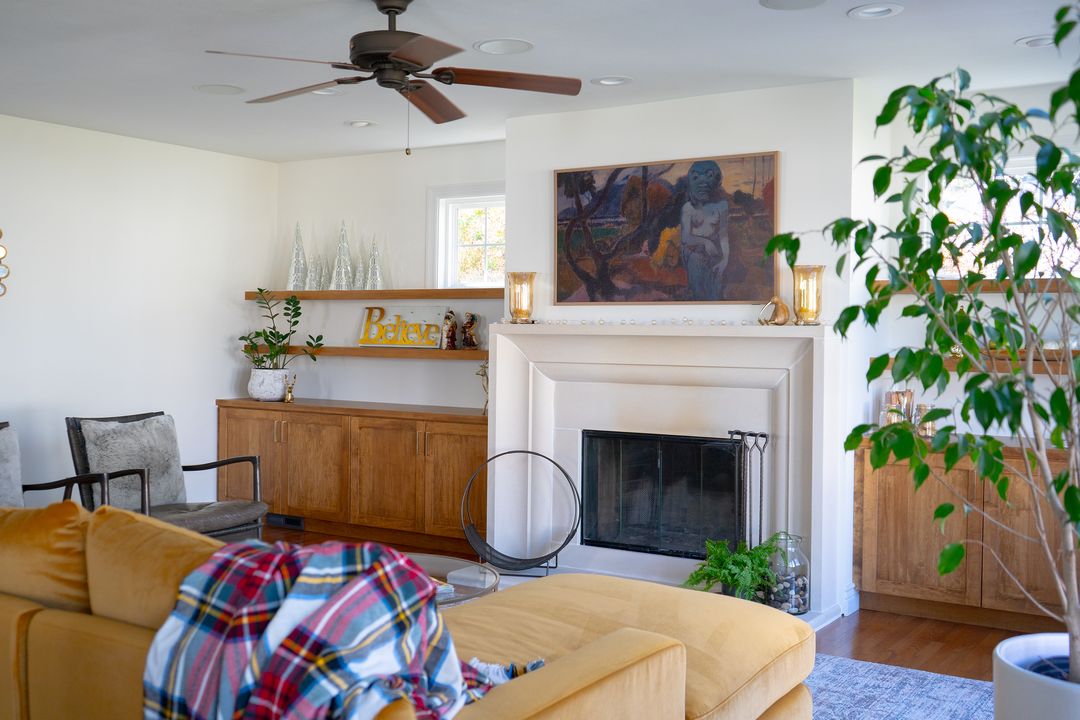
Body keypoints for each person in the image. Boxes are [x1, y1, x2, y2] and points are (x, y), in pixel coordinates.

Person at [680, 160, 730, 301]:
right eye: (695, 177)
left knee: (715, 285)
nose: (702, 183)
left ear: (717, 181)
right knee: (697, 269)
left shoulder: (722, 206)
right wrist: (705, 242)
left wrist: (725, 260)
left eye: (709, 176)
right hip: (692, 250)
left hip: (714, 250)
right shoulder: (688, 208)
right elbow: (686, 238)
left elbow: (724, 235)